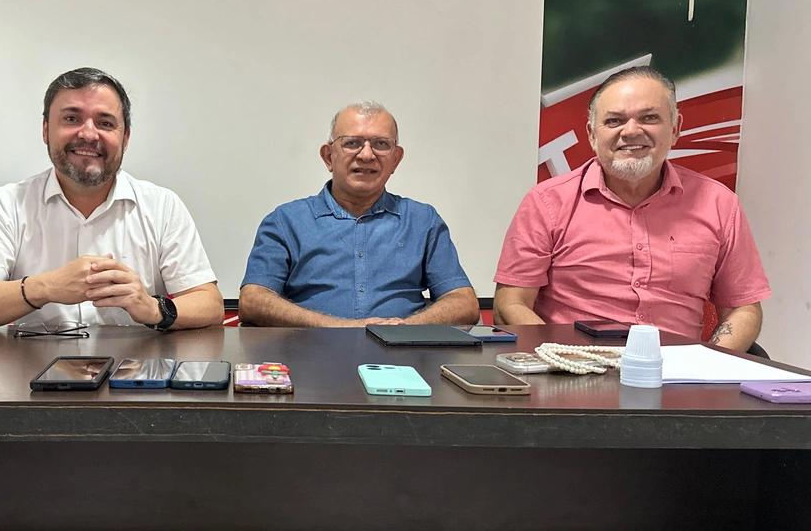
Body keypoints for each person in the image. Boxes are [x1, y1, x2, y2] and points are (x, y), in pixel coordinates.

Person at [493, 66, 770, 351]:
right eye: (614, 121)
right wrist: (563, 358)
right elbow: (511, 304)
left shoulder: (719, 204)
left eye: (649, 118)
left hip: (678, 379)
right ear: (591, 134)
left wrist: (709, 365)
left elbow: (743, 309)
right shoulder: (547, 202)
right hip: (574, 374)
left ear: (675, 129)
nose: (631, 131)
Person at [0, 68, 224, 330]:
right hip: (31, 372)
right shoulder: (7, 204)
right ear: (45, 130)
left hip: (136, 373)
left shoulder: (162, 206)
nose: (88, 134)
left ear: (125, 138)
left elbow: (209, 304)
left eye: (105, 123)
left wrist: (153, 309)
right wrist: (47, 287)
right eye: (71, 118)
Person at [238, 101, 479, 327]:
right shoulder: (285, 221)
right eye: (352, 143)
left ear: (396, 159)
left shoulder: (423, 220)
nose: (366, 155)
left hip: (404, 356)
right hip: (310, 354)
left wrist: (406, 329)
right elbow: (253, 300)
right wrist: (339, 327)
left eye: (381, 144)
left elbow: (463, 302)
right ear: (328, 156)